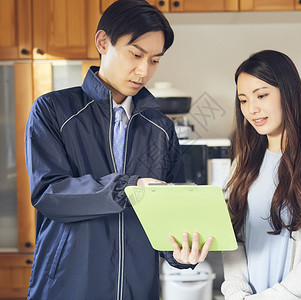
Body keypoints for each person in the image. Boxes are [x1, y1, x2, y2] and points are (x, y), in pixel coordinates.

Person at [25, 1, 212, 299]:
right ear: (103, 42)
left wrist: (180, 254)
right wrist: (130, 186)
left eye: (154, 60)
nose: (143, 70)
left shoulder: (161, 127)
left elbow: (168, 213)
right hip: (68, 287)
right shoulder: (53, 111)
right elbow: (50, 195)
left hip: (138, 289)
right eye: (136, 54)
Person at [221, 50, 301, 299]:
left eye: (261, 95)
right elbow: (233, 237)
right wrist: (236, 291)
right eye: (243, 100)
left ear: (288, 93)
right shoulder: (243, 161)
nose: (252, 109)